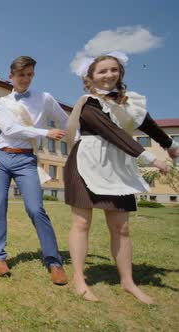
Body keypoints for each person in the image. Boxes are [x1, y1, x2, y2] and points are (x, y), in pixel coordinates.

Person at [65, 52, 178, 303]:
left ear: (120, 72)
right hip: (86, 163)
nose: (108, 75)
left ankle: (128, 281)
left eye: (113, 70)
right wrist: (150, 159)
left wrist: (169, 143)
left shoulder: (130, 102)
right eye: (102, 71)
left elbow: (147, 124)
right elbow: (112, 132)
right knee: (82, 223)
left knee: (122, 227)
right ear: (90, 78)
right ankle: (79, 278)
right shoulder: (88, 104)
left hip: (117, 166)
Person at [0, 56, 69, 285]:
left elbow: (65, 121)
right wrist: (45, 133)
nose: (25, 79)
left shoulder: (44, 99)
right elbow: (10, 129)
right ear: (11, 77)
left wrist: (83, 138)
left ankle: (54, 262)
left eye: (29, 74)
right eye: (21, 75)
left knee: (36, 208)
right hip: (1, 157)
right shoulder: (1, 102)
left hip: (26, 160)